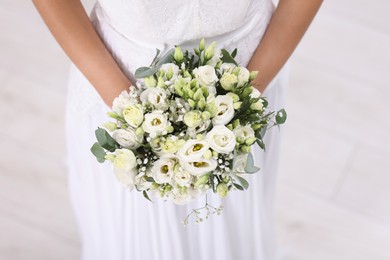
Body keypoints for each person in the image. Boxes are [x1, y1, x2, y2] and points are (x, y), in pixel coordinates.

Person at [33, 0, 323, 259]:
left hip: (251, 69)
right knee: (133, 230)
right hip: (118, 76)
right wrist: (130, 111)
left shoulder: (246, 94)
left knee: (235, 216)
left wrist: (244, 99)